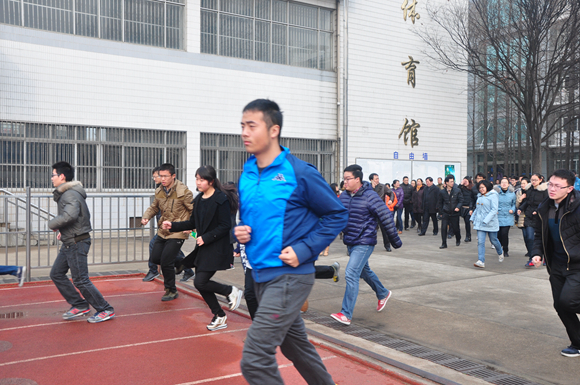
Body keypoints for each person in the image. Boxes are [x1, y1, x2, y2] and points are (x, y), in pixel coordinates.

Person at [235, 99, 348, 385]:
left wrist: (305, 248)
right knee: (296, 348)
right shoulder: (247, 175)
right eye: (242, 126)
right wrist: (239, 232)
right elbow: (251, 221)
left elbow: (337, 214)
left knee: (255, 360)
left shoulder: (299, 172)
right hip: (259, 275)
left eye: (252, 126)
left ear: (273, 130)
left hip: (289, 277)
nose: (245, 133)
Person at [163, 165, 243, 331]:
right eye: (197, 179)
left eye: (201, 179)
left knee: (200, 281)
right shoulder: (199, 199)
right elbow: (193, 223)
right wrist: (173, 226)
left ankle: (231, 291)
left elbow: (224, 226)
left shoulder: (221, 199)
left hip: (218, 246)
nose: (198, 182)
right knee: (200, 283)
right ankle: (219, 315)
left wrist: (206, 238)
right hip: (204, 247)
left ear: (211, 181)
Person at [331, 164, 402, 325]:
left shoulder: (370, 196)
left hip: (365, 241)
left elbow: (385, 216)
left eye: (348, 179)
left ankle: (346, 314)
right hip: (351, 240)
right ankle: (383, 293)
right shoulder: (344, 196)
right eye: (344, 179)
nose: (345, 182)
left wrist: (395, 241)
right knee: (364, 271)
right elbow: (336, 216)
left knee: (351, 273)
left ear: (358, 179)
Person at [48, 161, 115, 323]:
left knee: (80, 280)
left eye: (53, 175)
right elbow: (76, 217)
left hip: (77, 241)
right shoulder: (68, 192)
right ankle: (80, 304)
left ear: (62, 176)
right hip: (70, 239)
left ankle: (105, 309)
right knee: (56, 273)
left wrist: (53, 224)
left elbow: (70, 215)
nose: (51, 178)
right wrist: (63, 231)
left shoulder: (69, 194)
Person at [530, 169, 580, 357]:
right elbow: (538, 235)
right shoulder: (545, 207)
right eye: (551, 184)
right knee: (560, 305)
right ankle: (577, 343)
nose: (552, 189)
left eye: (558, 186)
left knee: (567, 301)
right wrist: (537, 253)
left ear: (569, 188)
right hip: (556, 265)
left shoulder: (578, 207)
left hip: (577, 266)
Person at [142, 163, 193, 301]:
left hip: (178, 230)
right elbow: (154, 207)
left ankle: (171, 290)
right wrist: (146, 216)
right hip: (163, 230)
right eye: (160, 176)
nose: (162, 179)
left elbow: (193, 210)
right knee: (155, 258)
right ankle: (182, 262)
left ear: (173, 176)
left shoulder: (183, 192)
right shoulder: (159, 191)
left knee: (166, 262)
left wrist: (191, 227)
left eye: (165, 176)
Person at [471, 180, 503, 268]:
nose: (481, 189)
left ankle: (500, 252)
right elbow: (477, 209)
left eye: (483, 187)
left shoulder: (493, 195)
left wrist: (486, 220)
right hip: (480, 224)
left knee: (494, 240)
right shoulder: (479, 196)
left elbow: (494, 210)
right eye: (480, 188)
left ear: (487, 187)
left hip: (490, 223)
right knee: (480, 242)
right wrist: (473, 218)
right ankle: (481, 260)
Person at [518, 173, 548, 267]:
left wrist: (538, 211)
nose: (533, 182)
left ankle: (545, 257)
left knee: (542, 238)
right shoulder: (529, 189)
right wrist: (521, 208)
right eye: (532, 180)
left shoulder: (545, 190)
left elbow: (546, 203)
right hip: (529, 216)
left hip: (540, 217)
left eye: (535, 180)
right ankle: (532, 258)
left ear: (540, 180)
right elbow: (527, 201)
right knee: (529, 238)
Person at [438, 175, 463, 248]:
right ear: (446, 183)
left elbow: (461, 200)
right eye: (451, 181)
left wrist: (458, 207)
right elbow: (440, 203)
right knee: (443, 228)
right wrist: (440, 213)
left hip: (454, 213)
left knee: (456, 228)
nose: (452, 183)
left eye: (453, 181)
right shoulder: (442, 192)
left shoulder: (457, 190)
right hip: (445, 212)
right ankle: (444, 243)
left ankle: (458, 238)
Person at [370, 173, 392, 252]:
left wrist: (391, 200)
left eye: (378, 178)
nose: (378, 180)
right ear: (371, 180)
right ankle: (369, 245)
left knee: (384, 230)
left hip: (381, 211)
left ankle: (387, 245)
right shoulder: (368, 188)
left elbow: (391, 193)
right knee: (370, 229)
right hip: (370, 212)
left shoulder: (383, 187)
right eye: (376, 179)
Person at [495, 178, 516, 258]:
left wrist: (512, 209)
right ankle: (500, 249)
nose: (504, 184)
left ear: (508, 184)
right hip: (498, 215)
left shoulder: (512, 193)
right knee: (498, 235)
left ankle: (506, 250)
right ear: (500, 184)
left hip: (507, 215)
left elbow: (514, 203)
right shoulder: (496, 193)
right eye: (502, 182)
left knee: (504, 234)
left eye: (505, 182)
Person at [516, 178, 530, 255]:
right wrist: (520, 199)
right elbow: (517, 205)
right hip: (522, 215)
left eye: (524, 183)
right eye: (521, 183)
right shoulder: (519, 192)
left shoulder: (531, 192)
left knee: (530, 235)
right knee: (525, 235)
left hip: (530, 215)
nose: (522, 185)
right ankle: (528, 250)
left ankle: (532, 250)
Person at [459, 177, 473, 242]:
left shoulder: (472, 188)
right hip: (463, 207)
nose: (465, 182)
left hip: (469, 207)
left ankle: (468, 235)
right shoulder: (462, 188)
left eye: (466, 181)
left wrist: (471, 207)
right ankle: (468, 235)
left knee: (467, 221)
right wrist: (461, 184)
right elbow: (456, 190)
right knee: (466, 222)